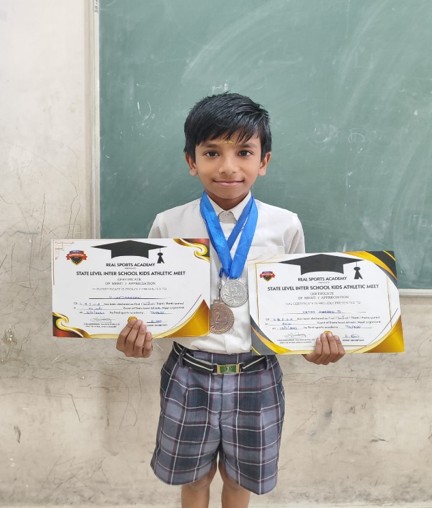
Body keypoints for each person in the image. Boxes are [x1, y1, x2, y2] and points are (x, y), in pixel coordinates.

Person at [116, 92, 345, 508]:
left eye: (244, 152)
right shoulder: (169, 223)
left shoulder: (285, 226)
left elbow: (298, 308)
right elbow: (150, 303)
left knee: (240, 481)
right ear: (191, 161)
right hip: (189, 372)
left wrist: (312, 347)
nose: (227, 166)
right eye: (211, 152)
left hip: (257, 373)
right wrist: (138, 337)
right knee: (195, 478)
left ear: (264, 161)